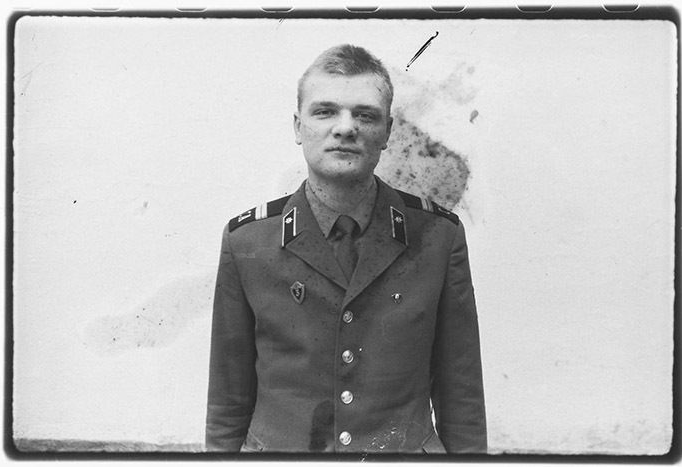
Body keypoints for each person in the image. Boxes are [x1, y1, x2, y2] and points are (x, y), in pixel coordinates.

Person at [206, 44, 487, 454]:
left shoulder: (437, 236)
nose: (345, 128)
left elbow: (461, 397)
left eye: (365, 115)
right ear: (298, 127)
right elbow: (227, 404)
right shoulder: (248, 241)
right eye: (325, 111)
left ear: (387, 132)